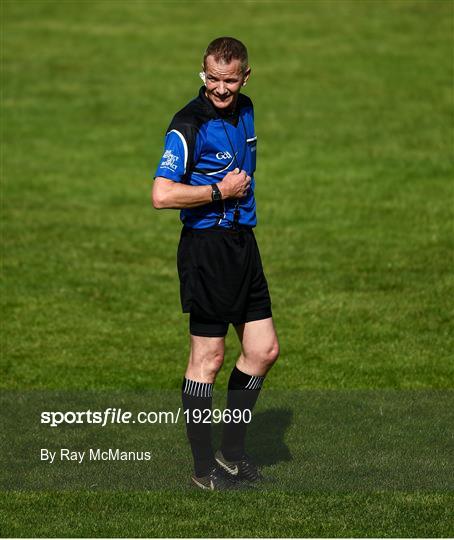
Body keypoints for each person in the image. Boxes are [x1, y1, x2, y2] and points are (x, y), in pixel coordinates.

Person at [152, 37, 279, 490]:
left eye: (229, 80)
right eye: (212, 79)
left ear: (246, 76)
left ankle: (232, 453)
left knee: (263, 351)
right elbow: (161, 194)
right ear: (202, 74)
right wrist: (217, 193)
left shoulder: (245, 108)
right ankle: (204, 470)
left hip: (243, 245)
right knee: (208, 358)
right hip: (206, 250)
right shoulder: (188, 123)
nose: (220, 89)